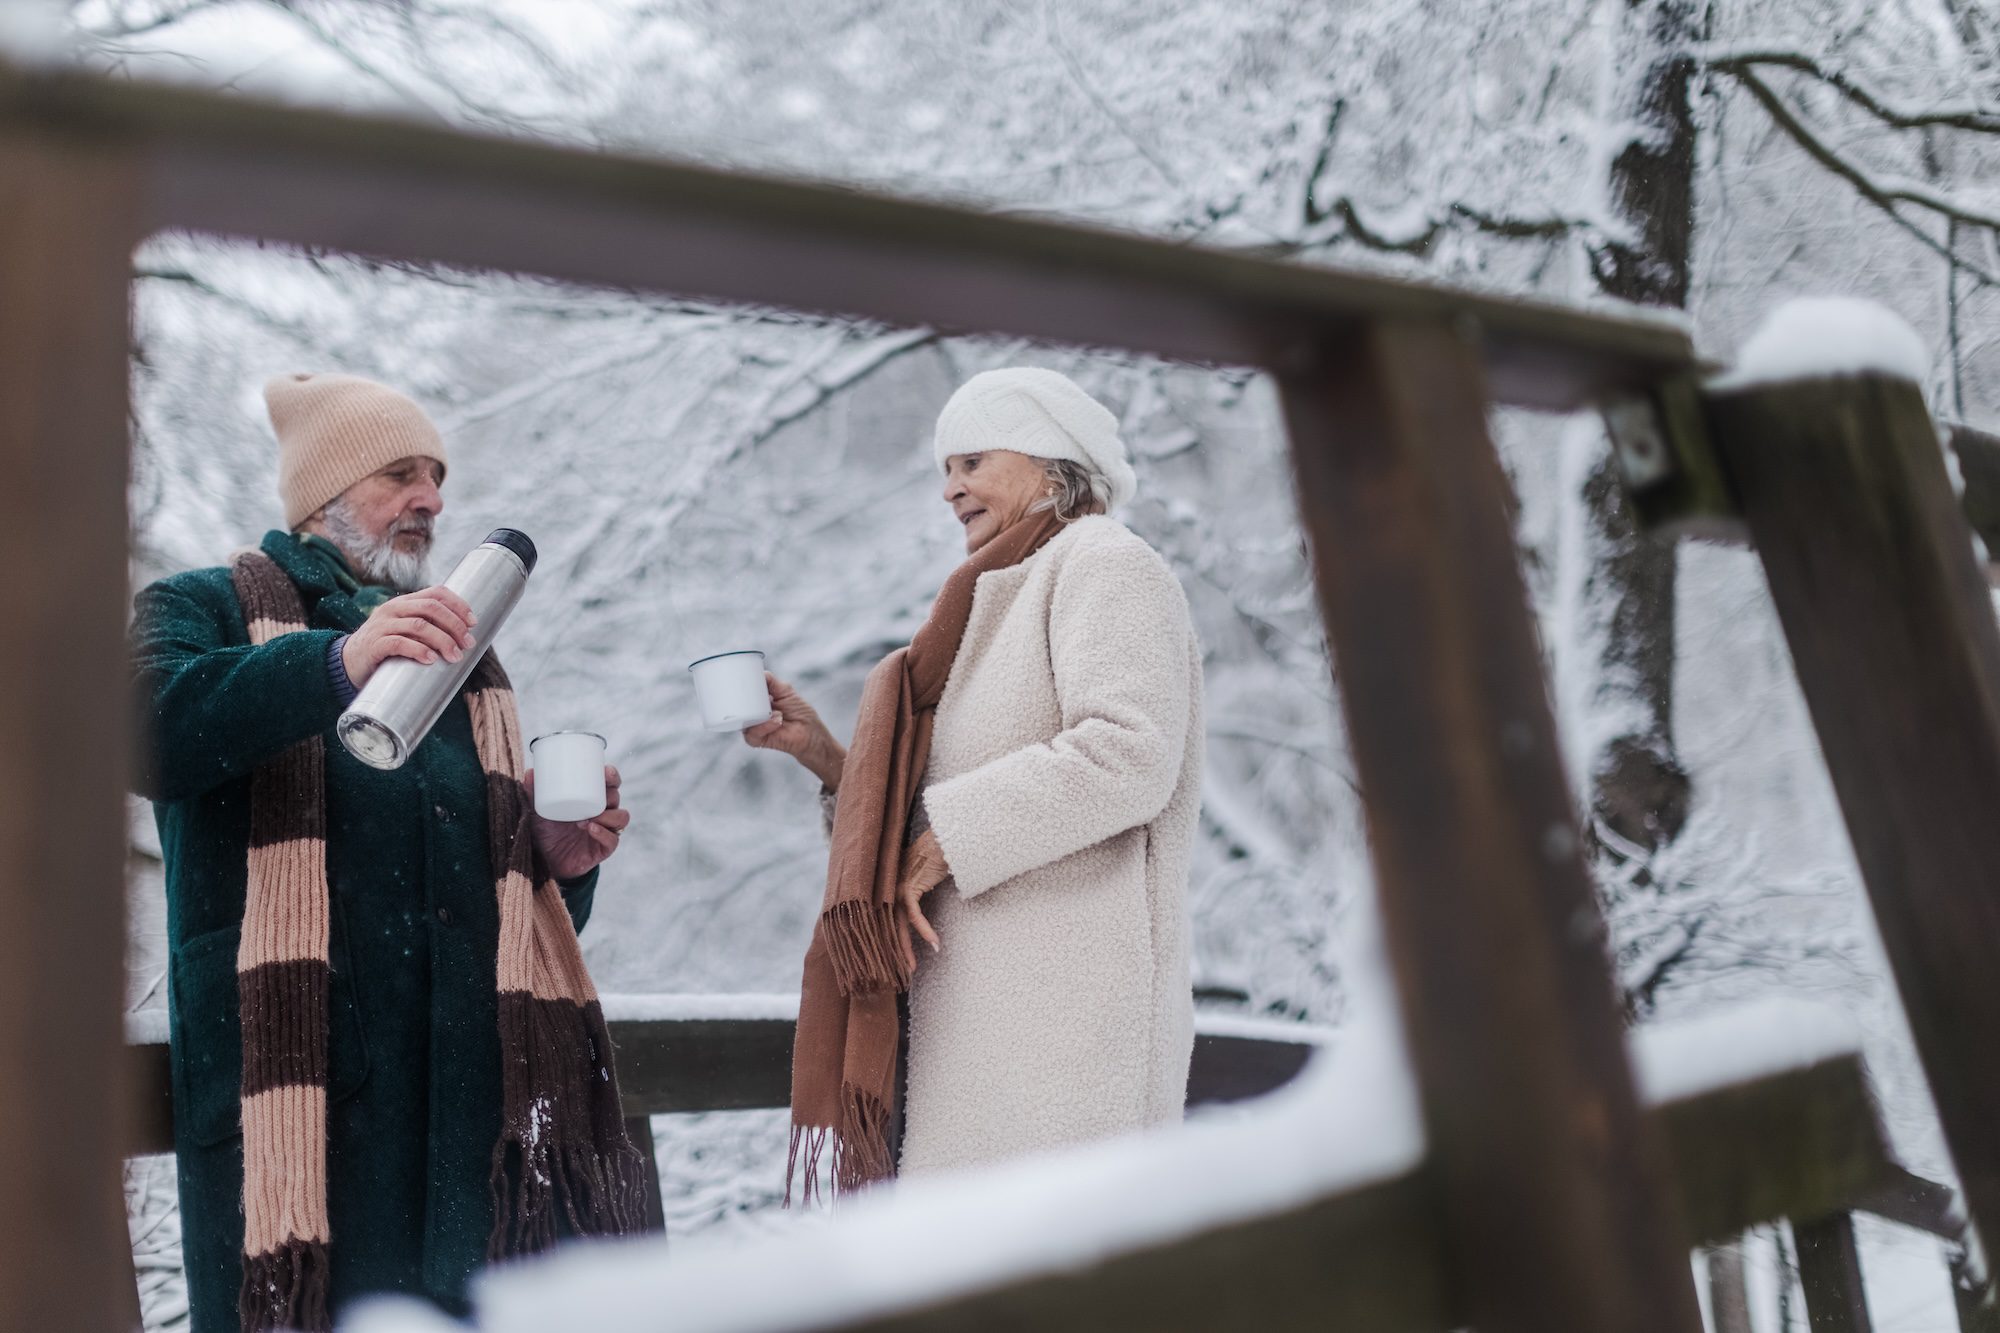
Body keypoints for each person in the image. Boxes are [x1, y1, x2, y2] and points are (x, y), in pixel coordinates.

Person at [131, 373, 650, 1333]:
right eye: (401, 473)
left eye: (438, 478)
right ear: (326, 493)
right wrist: (339, 663)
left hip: (469, 1130)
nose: (433, 500)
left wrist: (557, 866)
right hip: (301, 1121)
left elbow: (482, 908)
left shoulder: (460, 660)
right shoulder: (199, 605)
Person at [747, 366, 1204, 1197]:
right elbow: (930, 810)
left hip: (1067, 1034)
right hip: (980, 1028)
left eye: (970, 461)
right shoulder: (991, 598)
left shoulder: (1104, 562)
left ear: (1048, 459)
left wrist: (944, 842)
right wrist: (824, 755)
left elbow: (1130, 751)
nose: (950, 489)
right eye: (943, 471)